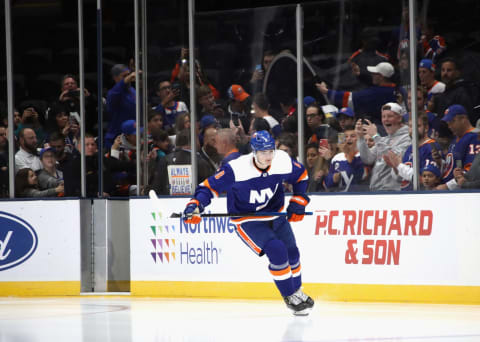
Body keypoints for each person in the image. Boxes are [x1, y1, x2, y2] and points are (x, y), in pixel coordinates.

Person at [182, 131, 314, 315]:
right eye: (263, 152)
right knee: (277, 250)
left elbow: (301, 175)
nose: (268, 156)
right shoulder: (236, 168)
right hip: (248, 219)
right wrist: (195, 205)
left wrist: (299, 201)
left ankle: (297, 291)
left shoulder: (282, 160)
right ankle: (290, 296)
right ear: (254, 151)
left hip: (274, 214)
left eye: (270, 151)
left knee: (293, 253)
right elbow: (208, 187)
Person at [317, 62, 401, 125]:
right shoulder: (394, 88)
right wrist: (360, 75)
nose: (372, 75)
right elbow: (375, 83)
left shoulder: (375, 93)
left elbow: (351, 98)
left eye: (374, 74)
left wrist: (326, 92)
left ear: (381, 76)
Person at [355, 102, 411, 191]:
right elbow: (368, 159)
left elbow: (393, 158)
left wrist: (375, 136)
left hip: (393, 192)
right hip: (376, 191)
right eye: (383, 116)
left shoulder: (407, 138)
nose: (386, 119)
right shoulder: (384, 140)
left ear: (399, 118)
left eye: (390, 116)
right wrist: (361, 138)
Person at [383, 113, 439, 191]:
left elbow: (424, 181)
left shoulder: (431, 147)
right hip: (406, 196)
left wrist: (399, 165)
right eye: (410, 126)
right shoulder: (410, 148)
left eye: (417, 126)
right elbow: (400, 179)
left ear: (426, 128)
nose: (413, 129)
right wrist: (395, 167)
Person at [435, 104, 480, 190]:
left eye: (452, 121)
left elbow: (470, 172)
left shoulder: (475, 137)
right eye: (448, 123)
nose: (449, 126)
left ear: (463, 119)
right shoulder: (456, 138)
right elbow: (451, 166)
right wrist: (440, 161)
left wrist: (447, 186)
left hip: (460, 192)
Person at [324, 125, 367, 192]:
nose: (348, 139)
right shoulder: (337, 158)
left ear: (359, 139)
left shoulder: (363, 155)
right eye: (346, 136)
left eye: (352, 136)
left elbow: (358, 177)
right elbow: (327, 182)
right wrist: (333, 178)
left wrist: (348, 153)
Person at [105, 64, 138, 148]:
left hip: (132, 136)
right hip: (116, 137)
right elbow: (118, 88)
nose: (129, 78)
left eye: (129, 74)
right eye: (124, 76)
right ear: (115, 78)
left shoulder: (132, 90)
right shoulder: (112, 93)